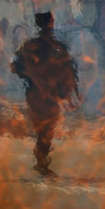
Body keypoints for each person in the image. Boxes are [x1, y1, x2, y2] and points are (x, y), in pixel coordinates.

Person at [11, 11, 79, 178]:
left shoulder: (56, 46)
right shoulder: (36, 46)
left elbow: (69, 70)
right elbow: (17, 67)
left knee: (47, 128)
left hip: (50, 94)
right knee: (44, 128)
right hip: (38, 94)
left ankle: (42, 161)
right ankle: (41, 162)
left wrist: (71, 91)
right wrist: (37, 80)